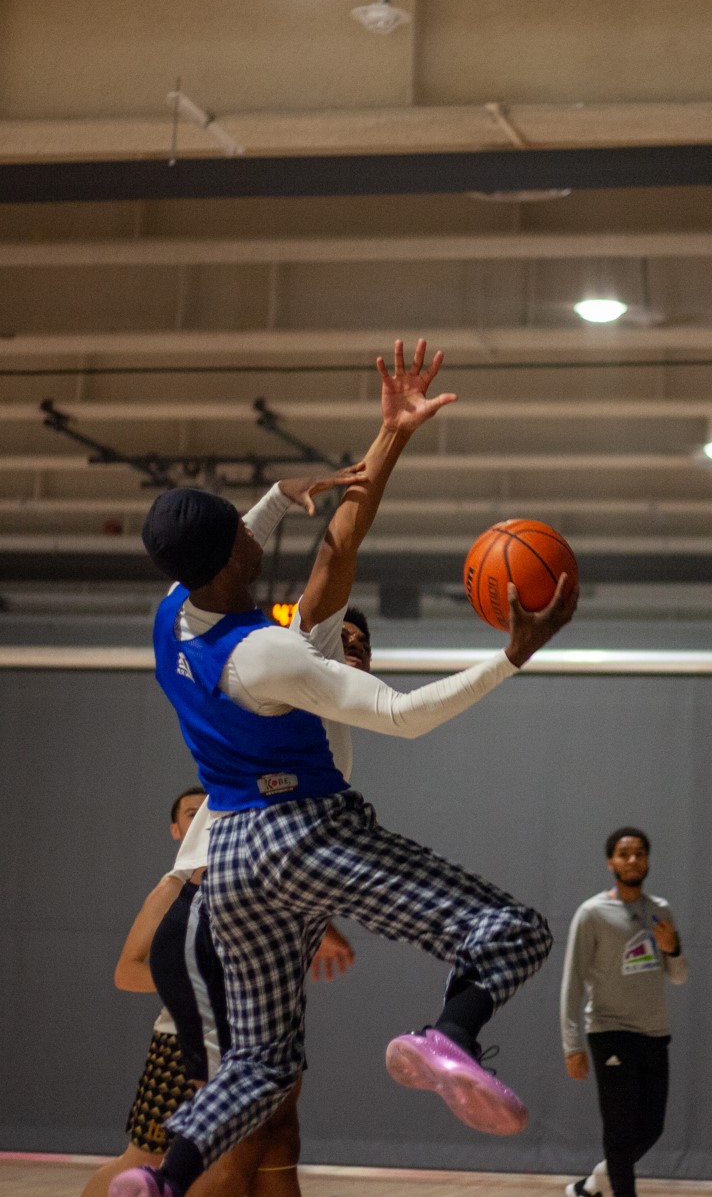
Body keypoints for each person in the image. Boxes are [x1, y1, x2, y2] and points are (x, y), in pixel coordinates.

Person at [111, 340, 577, 1197]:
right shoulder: (269, 653)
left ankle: (162, 1180)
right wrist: (512, 656)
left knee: (259, 1060)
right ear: (228, 563)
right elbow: (400, 714)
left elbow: (267, 533)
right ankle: (451, 1037)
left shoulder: (172, 611)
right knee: (512, 929)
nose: (259, 546)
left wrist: (347, 458)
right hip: (300, 834)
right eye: (247, 540)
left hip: (231, 866)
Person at [80, 789, 207, 1197]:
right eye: (192, 814)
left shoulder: (244, 880)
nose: (204, 820)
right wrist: (192, 979)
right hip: (177, 1047)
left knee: (237, 1162)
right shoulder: (171, 888)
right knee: (145, 1160)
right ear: (177, 830)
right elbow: (126, 972)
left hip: (238, 1046)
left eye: (209, 812)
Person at [560, 827, 688, 1197]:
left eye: (639, 854)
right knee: (618, 1131)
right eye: (624, 854)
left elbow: (678, 977)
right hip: (610, 1032)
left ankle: (592, 1186)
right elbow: (572, 984)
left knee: (651, 1129)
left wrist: (672, 947)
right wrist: (572, 1045)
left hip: (654, 1033)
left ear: (647, 860)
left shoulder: (660, 910)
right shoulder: (593, 913)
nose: (632, 860)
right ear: (610, 861)